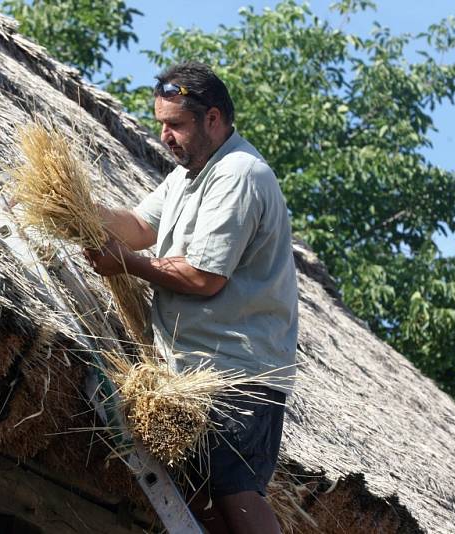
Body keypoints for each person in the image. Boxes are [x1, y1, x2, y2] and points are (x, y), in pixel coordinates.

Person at [84, 62, 298, 533]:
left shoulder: (238, 175)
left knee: (236, 495)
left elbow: (204, 278)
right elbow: (140, 228)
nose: (165, 135)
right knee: (202, 500)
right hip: (194, 369)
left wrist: (126, 264)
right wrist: (76, 207)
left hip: (237, 374)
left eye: (176, 125)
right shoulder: (187, 176)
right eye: (161, 124)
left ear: (213, 119)